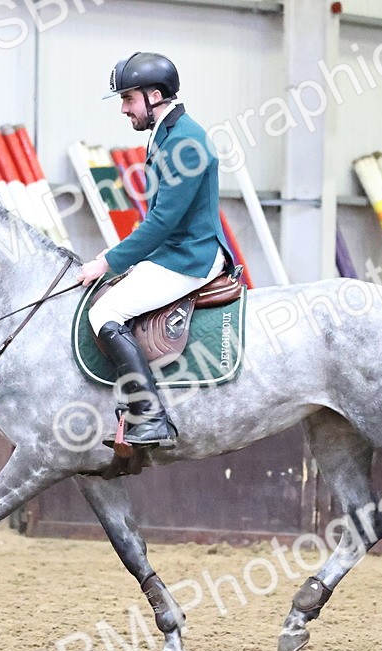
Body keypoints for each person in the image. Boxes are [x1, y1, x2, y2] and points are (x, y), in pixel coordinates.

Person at [79, 52, 231, 450]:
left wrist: (107, 261)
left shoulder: (186, 142)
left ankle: (150, 417)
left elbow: (162, 222)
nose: (124, 109)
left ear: (155, 95)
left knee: (104, 312)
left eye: (128, 99)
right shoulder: (166, 133)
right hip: (173, 251)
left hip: (190, 256)